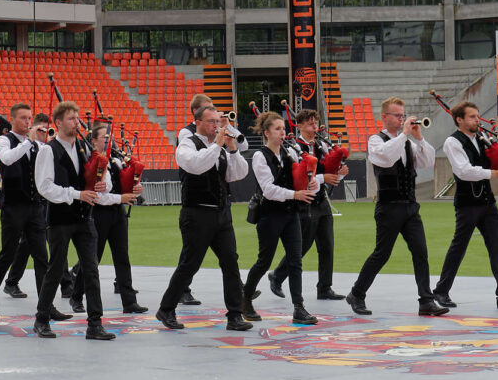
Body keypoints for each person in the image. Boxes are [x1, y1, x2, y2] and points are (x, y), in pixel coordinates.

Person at [346, 97, 448, 317]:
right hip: (388, 207)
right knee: (381, 254)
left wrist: (419, 139)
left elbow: (427, 162)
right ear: (384, 117)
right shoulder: (376, 140)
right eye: (397, 115)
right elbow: (384, 158)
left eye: (403, 115)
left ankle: (426, 300)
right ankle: (357, 293)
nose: (402, 118)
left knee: (421, 252)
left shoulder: (409, 142)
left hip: (410, 206)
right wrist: (403, 134)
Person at [155, 105, 251, 332]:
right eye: (211, 122)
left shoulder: (219, 145)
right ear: (197, 122)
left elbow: (238, 174)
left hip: (220, 212)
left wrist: (233, 149)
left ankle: (235, 314)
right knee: (190, 264)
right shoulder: (187, 143)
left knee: (231, 261)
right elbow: (197, 166)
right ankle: (166, 308)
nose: (216, 126)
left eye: (218, 121)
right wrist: (218, 144)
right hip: (196, 213)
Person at [433, 102, 498, 309]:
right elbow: (463, 171)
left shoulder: (480, 139)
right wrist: (496, 173)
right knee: (458, 248)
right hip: (467, 204)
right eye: (472, 117)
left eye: (477, 116)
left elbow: (491, 162)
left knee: (497, 248)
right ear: (459, 120)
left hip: (487, 202)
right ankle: (441, 292)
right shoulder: (453, 142)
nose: (477, 120)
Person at [31, 101, 111, 340]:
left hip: (84, 217)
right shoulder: (48, 150)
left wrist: (100, 184)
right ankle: (41, 318)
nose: (76, 122)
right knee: (55, 269)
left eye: (77, 118)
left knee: (91, 270)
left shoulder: (84, 148)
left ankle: (95, 324)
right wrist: (77, 194)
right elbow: (44, 187)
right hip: (60, 218)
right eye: (70, 118)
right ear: (57, 123)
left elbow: (88, 179)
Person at [242, 112, 317, 324]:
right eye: (277, 129)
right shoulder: (260, 156)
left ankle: (299, 307)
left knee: (295, 261)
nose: (282, 133)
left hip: (290, 214)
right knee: (264, 261)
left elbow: (299, 177)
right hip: (270, 215)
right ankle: (245, 298)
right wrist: (295, 194)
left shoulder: (289, 152)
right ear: (266, 133)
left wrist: (310, 183)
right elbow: (268, 190)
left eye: (283, 129)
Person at [0, 105, 51, 321]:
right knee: (7, 255)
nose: (27, 122)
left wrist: (44, 143)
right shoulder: (4, 140)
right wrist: (29, 141)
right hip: (13, 207)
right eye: (23, 118)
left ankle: (45, 306)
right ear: (12, 119)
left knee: (41, 257)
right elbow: (7, 159)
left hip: (34, 206)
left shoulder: (36, 144)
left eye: (29, 118)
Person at [68, 122, 147, 315]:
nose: (108, 140)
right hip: (99, 214)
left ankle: (129, 301)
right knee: (92, 259)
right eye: (104, 137)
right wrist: (122, 197)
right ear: (93, 141)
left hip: (117, 213)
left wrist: (136, 188)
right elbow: (99, 197)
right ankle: (76, 296)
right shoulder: (91, 163)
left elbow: (126, 184)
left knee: (122, 257)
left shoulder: (115, 161)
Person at [268, 109, 347, 301]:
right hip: (304, 202)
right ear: (300, 125)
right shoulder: (294, 146)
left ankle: (325, 287)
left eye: (315, 122)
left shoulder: (321, 145)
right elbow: (301, 177)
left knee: (327, 245)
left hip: (321, 200)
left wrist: (340, 172)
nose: (314, 126)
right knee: (303, 245)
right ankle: (277, 275)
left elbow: (330, 173)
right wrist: (323, 177)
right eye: (310, 123)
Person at [1, 113, 74, 300]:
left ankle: (12, 282)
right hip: (32, 203)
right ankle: (65, 284)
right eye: (41, 128)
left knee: (36, 245)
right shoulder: (31, 146)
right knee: (48, 244)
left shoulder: (48, 148)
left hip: (44, 202)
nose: (45, 132)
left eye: (46, 128)